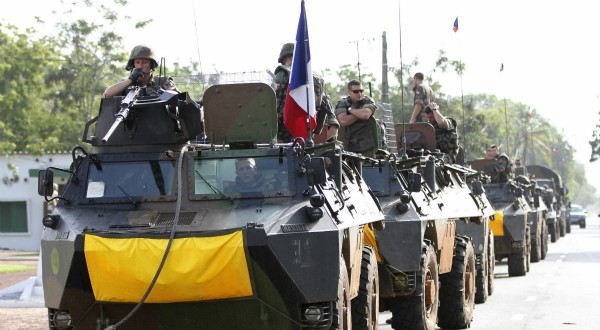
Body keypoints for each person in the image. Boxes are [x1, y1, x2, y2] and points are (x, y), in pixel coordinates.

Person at [274, 43, 339, 143]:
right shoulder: (317, 80)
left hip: (285, 140)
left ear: (283, 59)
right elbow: (333, 127)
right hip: (309, 140)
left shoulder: (283, 74)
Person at [103, 45, 177, 98]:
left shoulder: (163, 81)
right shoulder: (125, 83)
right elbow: (107, 95)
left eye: (144, 62)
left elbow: (178, 99)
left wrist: (163, 94)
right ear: (133, 64)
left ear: (152, 65)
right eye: (137, 62)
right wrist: (130, 80)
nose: (140, 66)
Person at [335, 80, 378, 157]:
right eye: (356, 91)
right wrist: (359, 113)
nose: (359, 94)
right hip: (347, 146)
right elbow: (343, 121)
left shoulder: (367, 100)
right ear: (349, 92)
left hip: (366, 146)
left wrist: (350, 110)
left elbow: (365, 115)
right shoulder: (343, 102)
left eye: (361, 91)